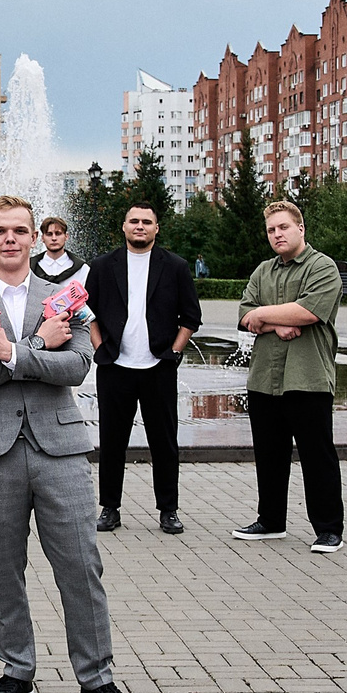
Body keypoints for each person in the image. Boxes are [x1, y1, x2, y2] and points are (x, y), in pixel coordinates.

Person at [0, 195, 140, 693]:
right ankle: (15, 672)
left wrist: (9, 352)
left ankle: (96, 678)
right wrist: (34, 346)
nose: (10, 239)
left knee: (81, 564)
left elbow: (77, 366)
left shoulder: (69, 298)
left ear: (35, 239)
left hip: (61, 447)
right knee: (3, 567)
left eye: (19, 231)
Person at [232, 200, 344, 551]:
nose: (277, 234)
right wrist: (276, 322)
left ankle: (328, 529)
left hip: (307, 376)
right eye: (271, 230)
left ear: (300, 228)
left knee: (317, 455)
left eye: (283, 227)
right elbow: (244, 315)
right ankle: (271, 520)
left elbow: (309, 311)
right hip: (265, 377)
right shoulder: (262, 271)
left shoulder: (321, 267)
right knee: (269, 453)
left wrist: (267, 316)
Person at [86, 201, 202, 535]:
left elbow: (191, 317)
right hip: (115, 367)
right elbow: (87, 311)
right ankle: (110, 508)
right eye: (134, 221)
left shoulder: (175, 267)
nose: (140, 226)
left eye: (146, 222)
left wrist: (174, 352)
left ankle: (169, 510)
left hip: (158, 368)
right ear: (124, 226)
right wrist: (99, 346)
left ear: (156, 229)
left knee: (164, 442)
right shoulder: (103, 266)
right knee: (111, 441)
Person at [31, 215, 87, 287]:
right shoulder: (29, 267)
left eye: (58, 233)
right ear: (42, 238)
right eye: (49, 234)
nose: (54, 238)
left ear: (66, 236)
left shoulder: (82, 269)